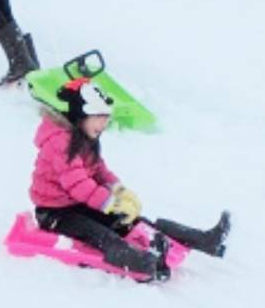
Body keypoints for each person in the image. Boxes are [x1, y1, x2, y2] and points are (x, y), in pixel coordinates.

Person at [29, 77, 231, 281]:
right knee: (100, 233)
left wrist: (119, 190)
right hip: (56, 214)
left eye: (106, 117)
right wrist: (111, 203)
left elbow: (99, 170)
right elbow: (78, 185)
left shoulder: (83, 137)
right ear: (80, 115)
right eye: (98, 116)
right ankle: (142, 264)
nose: (104, 123)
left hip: (79, 204)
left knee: (131, 222)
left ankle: (204, 240)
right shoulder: (60, 143)